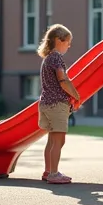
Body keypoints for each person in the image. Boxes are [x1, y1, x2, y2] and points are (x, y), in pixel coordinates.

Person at [37, 24, 81, 184]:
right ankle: (54, 174)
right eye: (67, 42)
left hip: (46, 103)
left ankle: (48, 171)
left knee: (52, 139)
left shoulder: (48, 58)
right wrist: (76, 95)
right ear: (58, 40)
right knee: (59, 140)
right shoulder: (56, 58)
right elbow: (63, 81)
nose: (69, 46)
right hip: (56, 104)